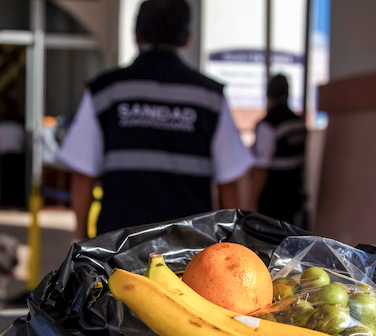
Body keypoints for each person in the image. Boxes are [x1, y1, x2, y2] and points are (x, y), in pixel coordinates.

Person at [56, 0, 254, 240]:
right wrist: (233, 243)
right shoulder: (210, 97)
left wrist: (80, 238)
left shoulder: (105, 92)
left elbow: (82, 175)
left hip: (118, 247)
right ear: (187, 38)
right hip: (188, 248)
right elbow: (229, 182)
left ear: (136, 34)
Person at [251, 74, 308, 227]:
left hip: (272, 200)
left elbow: (261, 169)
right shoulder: (298, 123)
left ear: (268, 94)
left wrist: (251, 202)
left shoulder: (268, 125)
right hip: (294, 196)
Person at [0, 99, 27, 208]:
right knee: (15, 180)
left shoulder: (0, 127)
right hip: (15, 156)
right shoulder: (17, 127)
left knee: (6, 179)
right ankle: (13, 201)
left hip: (6, 155)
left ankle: (6, 200)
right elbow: (23, 142)